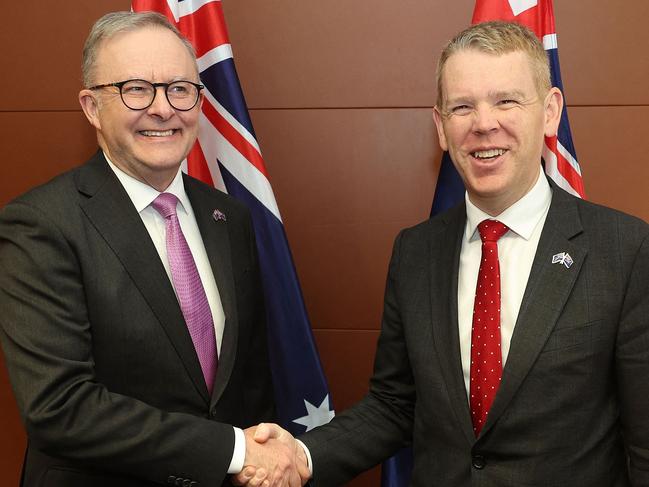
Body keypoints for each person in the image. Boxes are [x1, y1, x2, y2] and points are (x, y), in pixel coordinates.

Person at [237, 20, 649, 486]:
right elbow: (395, 404)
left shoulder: (625, 249)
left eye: (507, 100)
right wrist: (304, 456)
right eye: (462, 107)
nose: (483, 123)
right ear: (440, 125)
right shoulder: (416, 251)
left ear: (550, 111)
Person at [0, 11, 305, 487]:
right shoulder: (40, 224)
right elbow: (59, 407)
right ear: (92, 107)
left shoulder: (229, 218)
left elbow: (247, 382)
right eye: (136, 88)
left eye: (180, 89)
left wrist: (261, 457)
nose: (163, 109)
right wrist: (234, 450)